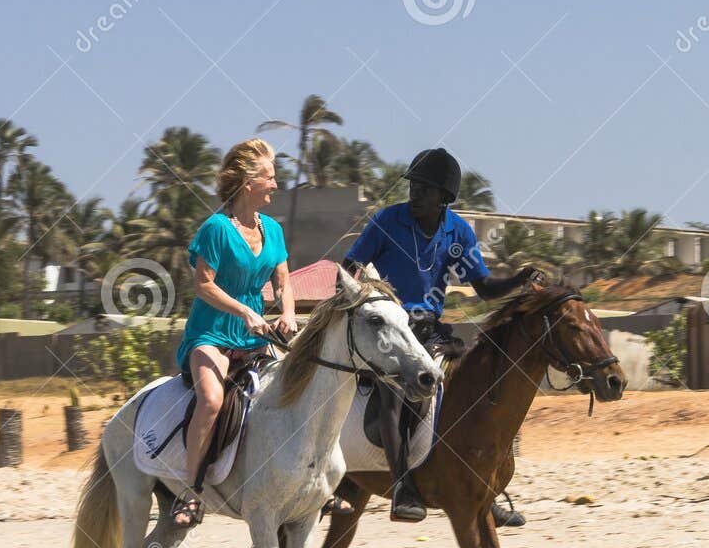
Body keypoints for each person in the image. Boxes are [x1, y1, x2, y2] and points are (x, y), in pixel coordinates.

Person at [343, 146, 537, 524]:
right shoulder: (386, 221)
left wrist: (519, 278)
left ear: (444, 197)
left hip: (430, 331)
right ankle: (403, 487)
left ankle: (485, 490)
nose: (415, 194)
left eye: (424, 189)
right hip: (390, 331)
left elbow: (482, 287)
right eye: (413, 186)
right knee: (395, 396)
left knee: (477, 393)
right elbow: (349, 267)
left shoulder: (458, 231)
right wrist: (367, 299)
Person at [170, 137, 297, 527]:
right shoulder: (216, 229)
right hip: (211, 334)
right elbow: (203, 284)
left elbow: (283, 282)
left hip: (256, 338)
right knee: (210, 400)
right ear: (248, 183)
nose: (276, 185)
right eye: (270, 178)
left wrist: (288, 314)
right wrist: (244, 310)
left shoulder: (272, 230)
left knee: (300, 390)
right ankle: (189, 493)